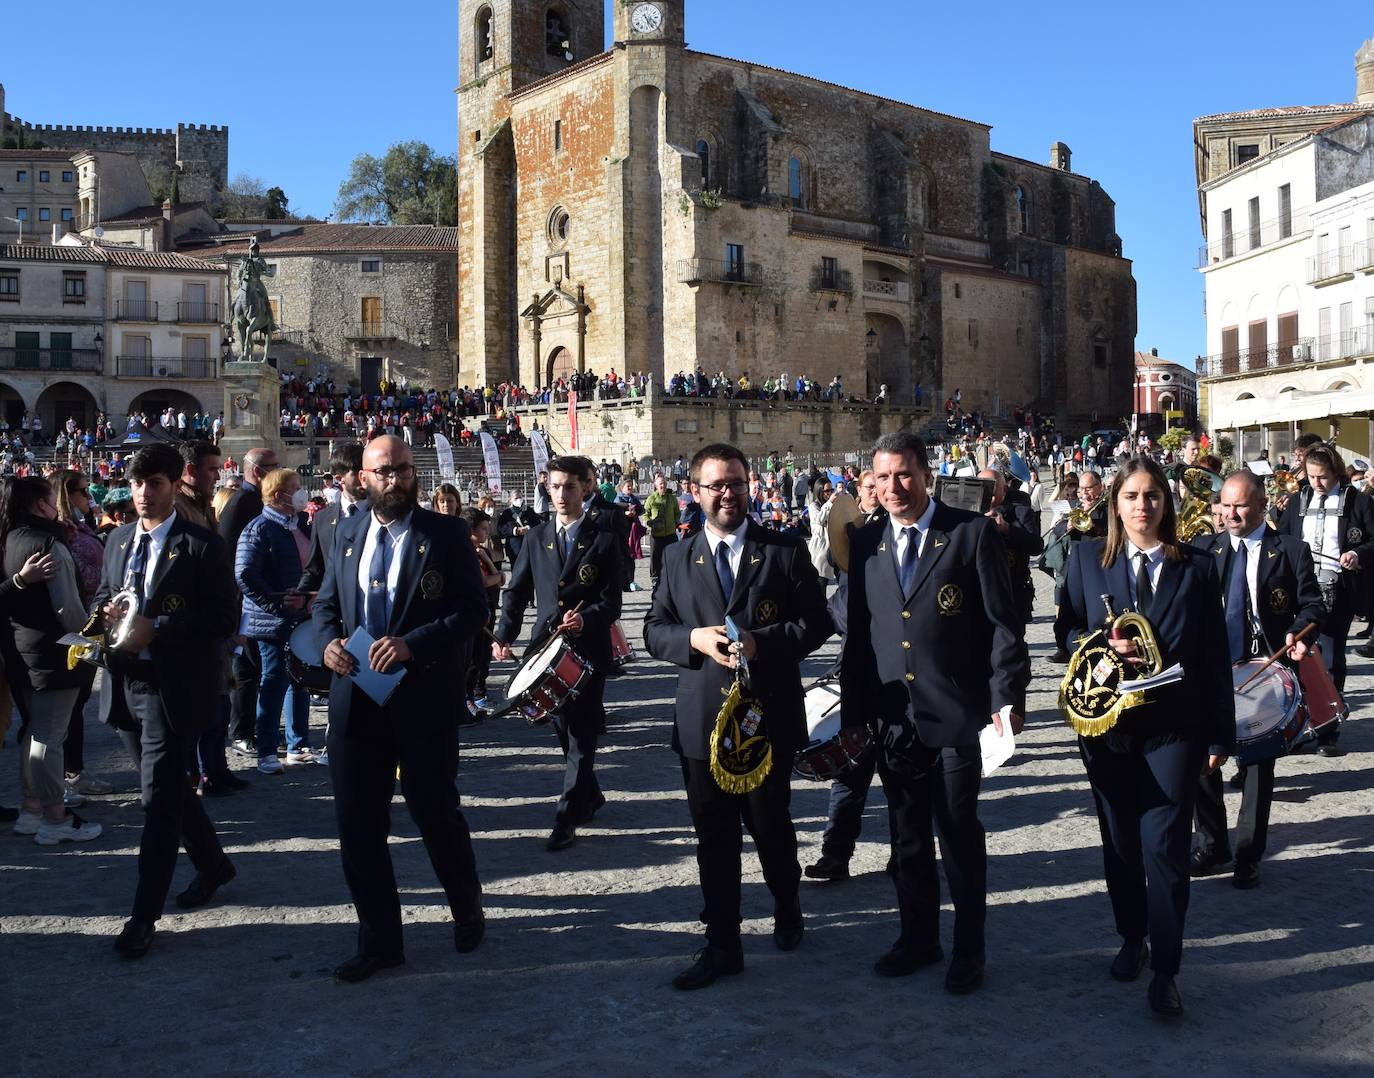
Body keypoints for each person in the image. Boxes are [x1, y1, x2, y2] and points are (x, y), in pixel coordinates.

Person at [840, 432, 1028, 996]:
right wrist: (855, 712)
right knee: (907, 837)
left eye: (904, 475)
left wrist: (1006, 698)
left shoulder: (968, 534)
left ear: (925, 475)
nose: (893, 488)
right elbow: (859, 636)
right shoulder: (867, 540)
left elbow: (1003, 626)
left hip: (956, 714)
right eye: (882, 478)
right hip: (894, 721)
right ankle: (918, 936)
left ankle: (970, 949)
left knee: (958, 836)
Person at [643, 443, 832, 990]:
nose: (728, 494)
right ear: (696, 493)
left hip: (767, 719)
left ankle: (787, 901)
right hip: (702, 722)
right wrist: (693, 639)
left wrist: (759, 643)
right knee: (714, 839)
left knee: (772, 828)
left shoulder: (784, 549)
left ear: (750, 486)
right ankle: (722, 943)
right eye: (717, 485)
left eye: (737, 483)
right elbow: (654, 629)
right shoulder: (676, 558)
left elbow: (816, 625)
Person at [1054, 456, 1234, 1017]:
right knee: (1121, 843)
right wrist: (1103, 645)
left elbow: (1212, 655)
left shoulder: (1199, 567)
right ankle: (1132, 936)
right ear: (1115, 505)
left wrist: (1220, 734)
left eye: (1152, 495)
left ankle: (1167, 969)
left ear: (1167, 504)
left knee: (1165, 846)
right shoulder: (1085, 558)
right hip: (1107, 729)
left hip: (1172, 728)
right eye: (1131, 496)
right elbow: (1065, 632)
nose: (1141, 506)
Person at [314, 435, 489, 982]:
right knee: (358, 825)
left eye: (404, 470)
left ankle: (466, 907)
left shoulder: (443, 533)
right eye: (384, 472)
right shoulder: (343, 532)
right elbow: (323, 604)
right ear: (362, 478)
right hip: (357, 700)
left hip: (422, 698)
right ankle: (380, 940)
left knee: (435, 812)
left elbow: (471, 609)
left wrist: (416, 642)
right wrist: (327, 644)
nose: (396, 480)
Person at [95, 444, 239, 958]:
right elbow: (106, 595)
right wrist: (105, 614)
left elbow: (224, 618)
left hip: (170, 689)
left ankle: (142, 915)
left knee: (156, 802)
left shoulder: (201, 545)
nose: (142, 493)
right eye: (135, 484)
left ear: (174, 484)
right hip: (122, 684)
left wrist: (160, 629)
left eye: (153, 483)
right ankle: (215, 865)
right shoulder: (115, 540)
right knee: (172, 790)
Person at [1193, 471, 1323, 889]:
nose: (1230, 514)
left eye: (1241, 506)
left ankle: (1248, 856)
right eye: (1225, 505)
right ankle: (1213, 845)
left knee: (1256, 769)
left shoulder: (1289, 550)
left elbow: (1313, 606)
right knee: (1201, 762)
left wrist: (1299, 632)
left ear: (1262, 505)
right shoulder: (1201, 551)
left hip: (1265, 670)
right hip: (1211, 672)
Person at [493, 456, 622, 850]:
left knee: (582, 736)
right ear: (546, 488)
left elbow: (611, 601)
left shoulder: (604, 536)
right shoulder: (535, 537)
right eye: (555, 486)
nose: (562, 495)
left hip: (588, 650)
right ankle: (592, 794)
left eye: (569, 486)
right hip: (545, 650)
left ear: (585, 488)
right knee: (563, 731)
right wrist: (504, 635)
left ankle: (566, 818)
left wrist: (588, 620)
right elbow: (515, 591)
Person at [2, 476, 102, 845]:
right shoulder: (47, 542)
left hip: (23, 648)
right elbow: (68, 609)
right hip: (52, 650)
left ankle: (32, 809)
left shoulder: (10, 537)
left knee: (34, 732)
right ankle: (54, 817)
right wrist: (91, 636)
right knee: (49, 736)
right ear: (40, 504)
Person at [805, 468, 885, 883]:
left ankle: (908, 854)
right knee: (849, 775)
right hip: (857, 679)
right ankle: (836, 854)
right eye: (870, 487)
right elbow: (833, 614)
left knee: (905, 777)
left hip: (899, 685)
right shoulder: (851, 554)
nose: (876, 494)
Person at [1278, 441, 1374, 755]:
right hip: (1301, 588)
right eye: (1312, 477)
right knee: (1296, 654)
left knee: (1331, 657)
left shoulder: (1357, 501)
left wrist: (1356, 554)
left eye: (1323, 477)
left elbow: (1372, 540)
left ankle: (1329, 728)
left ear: (1335, 472)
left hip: (1338, 586)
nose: (1317, 484)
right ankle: (1298, 723)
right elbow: (1283, 538)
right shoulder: (1298, 499)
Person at [235, 468, 317, 775]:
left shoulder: (303, 526)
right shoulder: (258, 528)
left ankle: (299, 745)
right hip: (270, 620)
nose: (301, 492)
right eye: (295, 488)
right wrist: (275, 603)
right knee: (274, 681)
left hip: (302, 615)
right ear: (278, 494)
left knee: (301, 680)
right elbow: (244, 574)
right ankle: (267, 749)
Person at [52, 469, 110, 800]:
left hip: (91, 625)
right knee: (67, 708)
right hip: (74, 629)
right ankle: (63, 776)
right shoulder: (62, 534)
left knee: (78, 704)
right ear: (65, 495)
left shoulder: (79, 527)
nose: (88, 499)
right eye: (82, 493)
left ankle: (75, 769)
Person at [218, 447, 279, 756]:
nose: (279, 470)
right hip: (242, 602)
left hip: (253, 600)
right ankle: (241, 731)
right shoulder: (244, 502)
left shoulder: (254, 500)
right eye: (274, 466)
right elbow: (228, 558)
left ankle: (253, 726)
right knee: (246, 667)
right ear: (257, 471)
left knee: (255, 668)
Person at [297, 442, 365, 594]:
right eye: (357, 472)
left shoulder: (383, 512)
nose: (364, 478)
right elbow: (315, 568)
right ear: (339, 478)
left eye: (366, 471)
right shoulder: (322, 519)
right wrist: (300, 595)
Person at [979, 468, 1043, 627]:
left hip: (1012, 594)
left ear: (1004, 490)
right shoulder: (968, 515)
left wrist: (1008, 529)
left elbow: (1037, 546)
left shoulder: (1021, 513)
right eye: (983, 488)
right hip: (978, 595)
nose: (989, 495)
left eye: (993, 489)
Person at [463, 506, 503, 714]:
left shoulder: (482, 551)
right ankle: (468, 697)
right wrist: (493, 578)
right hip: (474, 612)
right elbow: (484, 581)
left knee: (482, 656)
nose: (487, 533)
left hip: (489, 608)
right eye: (483, 529)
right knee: (472, 658)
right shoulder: (465, 551)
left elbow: (500, 578)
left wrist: (488, 560)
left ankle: (478, 692)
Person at [643, 474, 680, 587]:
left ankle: (673, 577)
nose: (662, 486)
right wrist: (651, 523)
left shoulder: (672, 498)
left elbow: (677, 513)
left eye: (664, 483)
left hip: (670, 533)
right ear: (656, 485)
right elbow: (645, 515)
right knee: (655, 557)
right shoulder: (651, 499)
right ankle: (655, 578)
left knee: (673, 556)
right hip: (656, 534)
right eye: (660, 484)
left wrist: (676, 522)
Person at [496, 491, 541, 566]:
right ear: (510, 499)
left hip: (529, 546)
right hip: (514, 548)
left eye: (520, 497)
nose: (518, 500)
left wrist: (528, 528)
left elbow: (538, 524)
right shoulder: (506, 513)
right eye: (516, 498)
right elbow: (501, 530)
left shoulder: (529, 510)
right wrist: (515, 531)